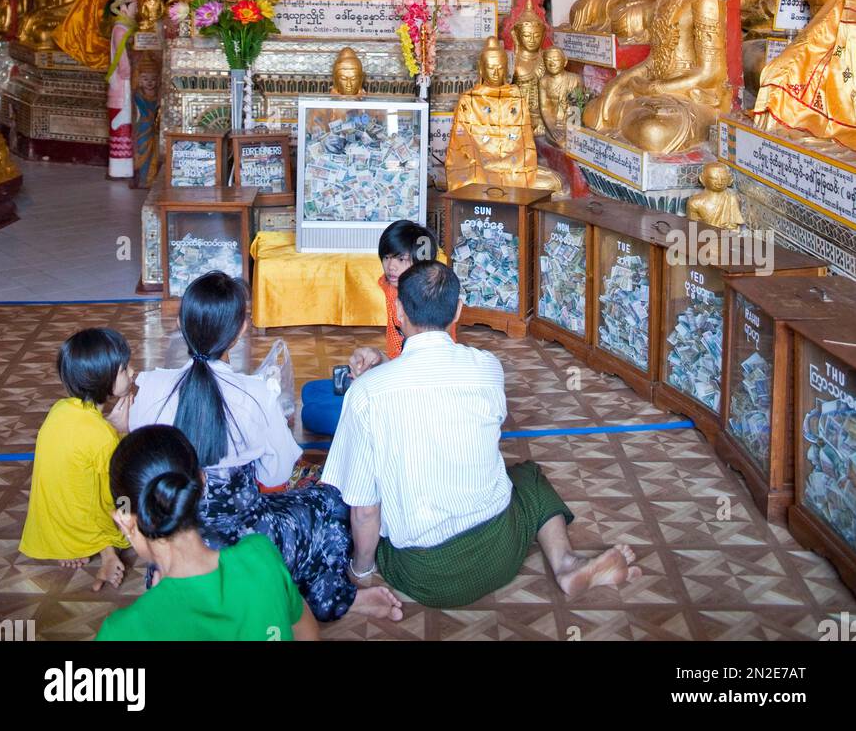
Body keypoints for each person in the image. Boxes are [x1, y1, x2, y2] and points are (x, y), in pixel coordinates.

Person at [324, 261, 641, 608]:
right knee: (528, 477)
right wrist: (386, 366)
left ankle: (367, 565)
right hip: (501, 550)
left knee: (354, 502)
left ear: (398, 310)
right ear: (458, 310)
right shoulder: (488, 368)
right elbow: (431, 389)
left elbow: (366, 513)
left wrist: (361, 571)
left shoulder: (367, 393)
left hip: (428, 576)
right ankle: (566, 563)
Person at [128, 271, 401, 624]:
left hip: (174, 550)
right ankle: (322, 596)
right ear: (241, 330)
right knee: (330, 499)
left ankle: (204, 595)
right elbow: (278, 474)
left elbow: (141, 461)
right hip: (248, 546)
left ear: (182, 325)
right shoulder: (256, 394)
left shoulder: (149, 386)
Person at [97, 426, 319, 642]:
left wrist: (155, 606)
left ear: (125, 521)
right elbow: (306, 631)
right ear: (203, 483)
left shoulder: (122, 632)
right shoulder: (262, 557)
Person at [20, 328, 134, 591]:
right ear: (105, 381)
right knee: (131, 491)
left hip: (52, 529)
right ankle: (111, 545)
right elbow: (115, 490)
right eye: (124, 369)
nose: (131, 372)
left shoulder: (60, 409)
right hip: (87, 522)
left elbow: (84, 444)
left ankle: (86, 546)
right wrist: (123, 435)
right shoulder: (103, 436)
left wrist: (111, 430)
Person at [351, 219, 454, 373]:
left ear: (421, 262)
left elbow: (439, 358)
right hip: (398, 363)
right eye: (386, 257)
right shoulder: (389, 285)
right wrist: (381, 359)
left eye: (401, 259)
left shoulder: (434, 299)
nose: (391, 267)